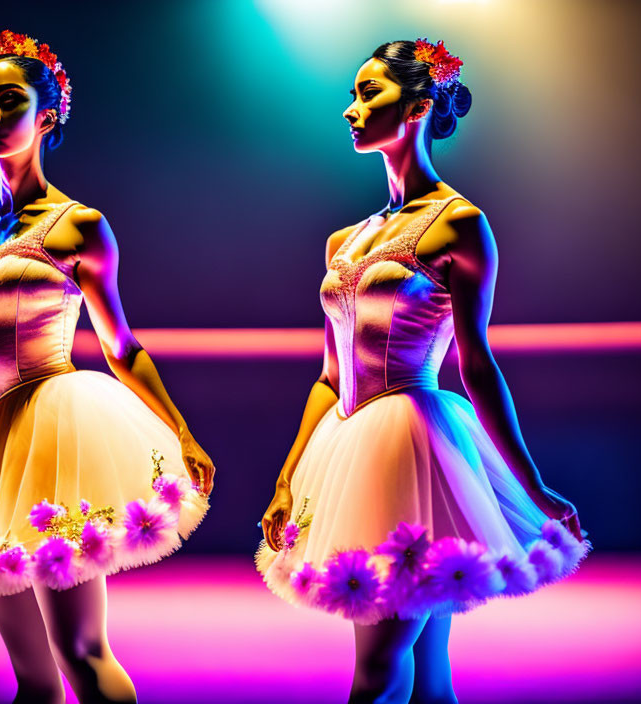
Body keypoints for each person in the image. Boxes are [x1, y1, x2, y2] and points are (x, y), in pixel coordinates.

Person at [0, 30, 215, 704]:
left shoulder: (78, 226)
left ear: (47, 115)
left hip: (56, 432)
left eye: (10, 100)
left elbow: (122, 345)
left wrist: (178, 431)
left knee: (83, 655)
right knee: (33, 679)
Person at [256, 38, 591, 704]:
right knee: (425, 670)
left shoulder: (459, 225)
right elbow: (329, 376)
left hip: (416, 444)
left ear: (417, 105)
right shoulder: (343, 240)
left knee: (379, 664)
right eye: (351, 94)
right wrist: (288, 477)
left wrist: (532, 484)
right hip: (351, 448)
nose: (351, 109)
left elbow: (477, 363)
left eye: (368, 93)